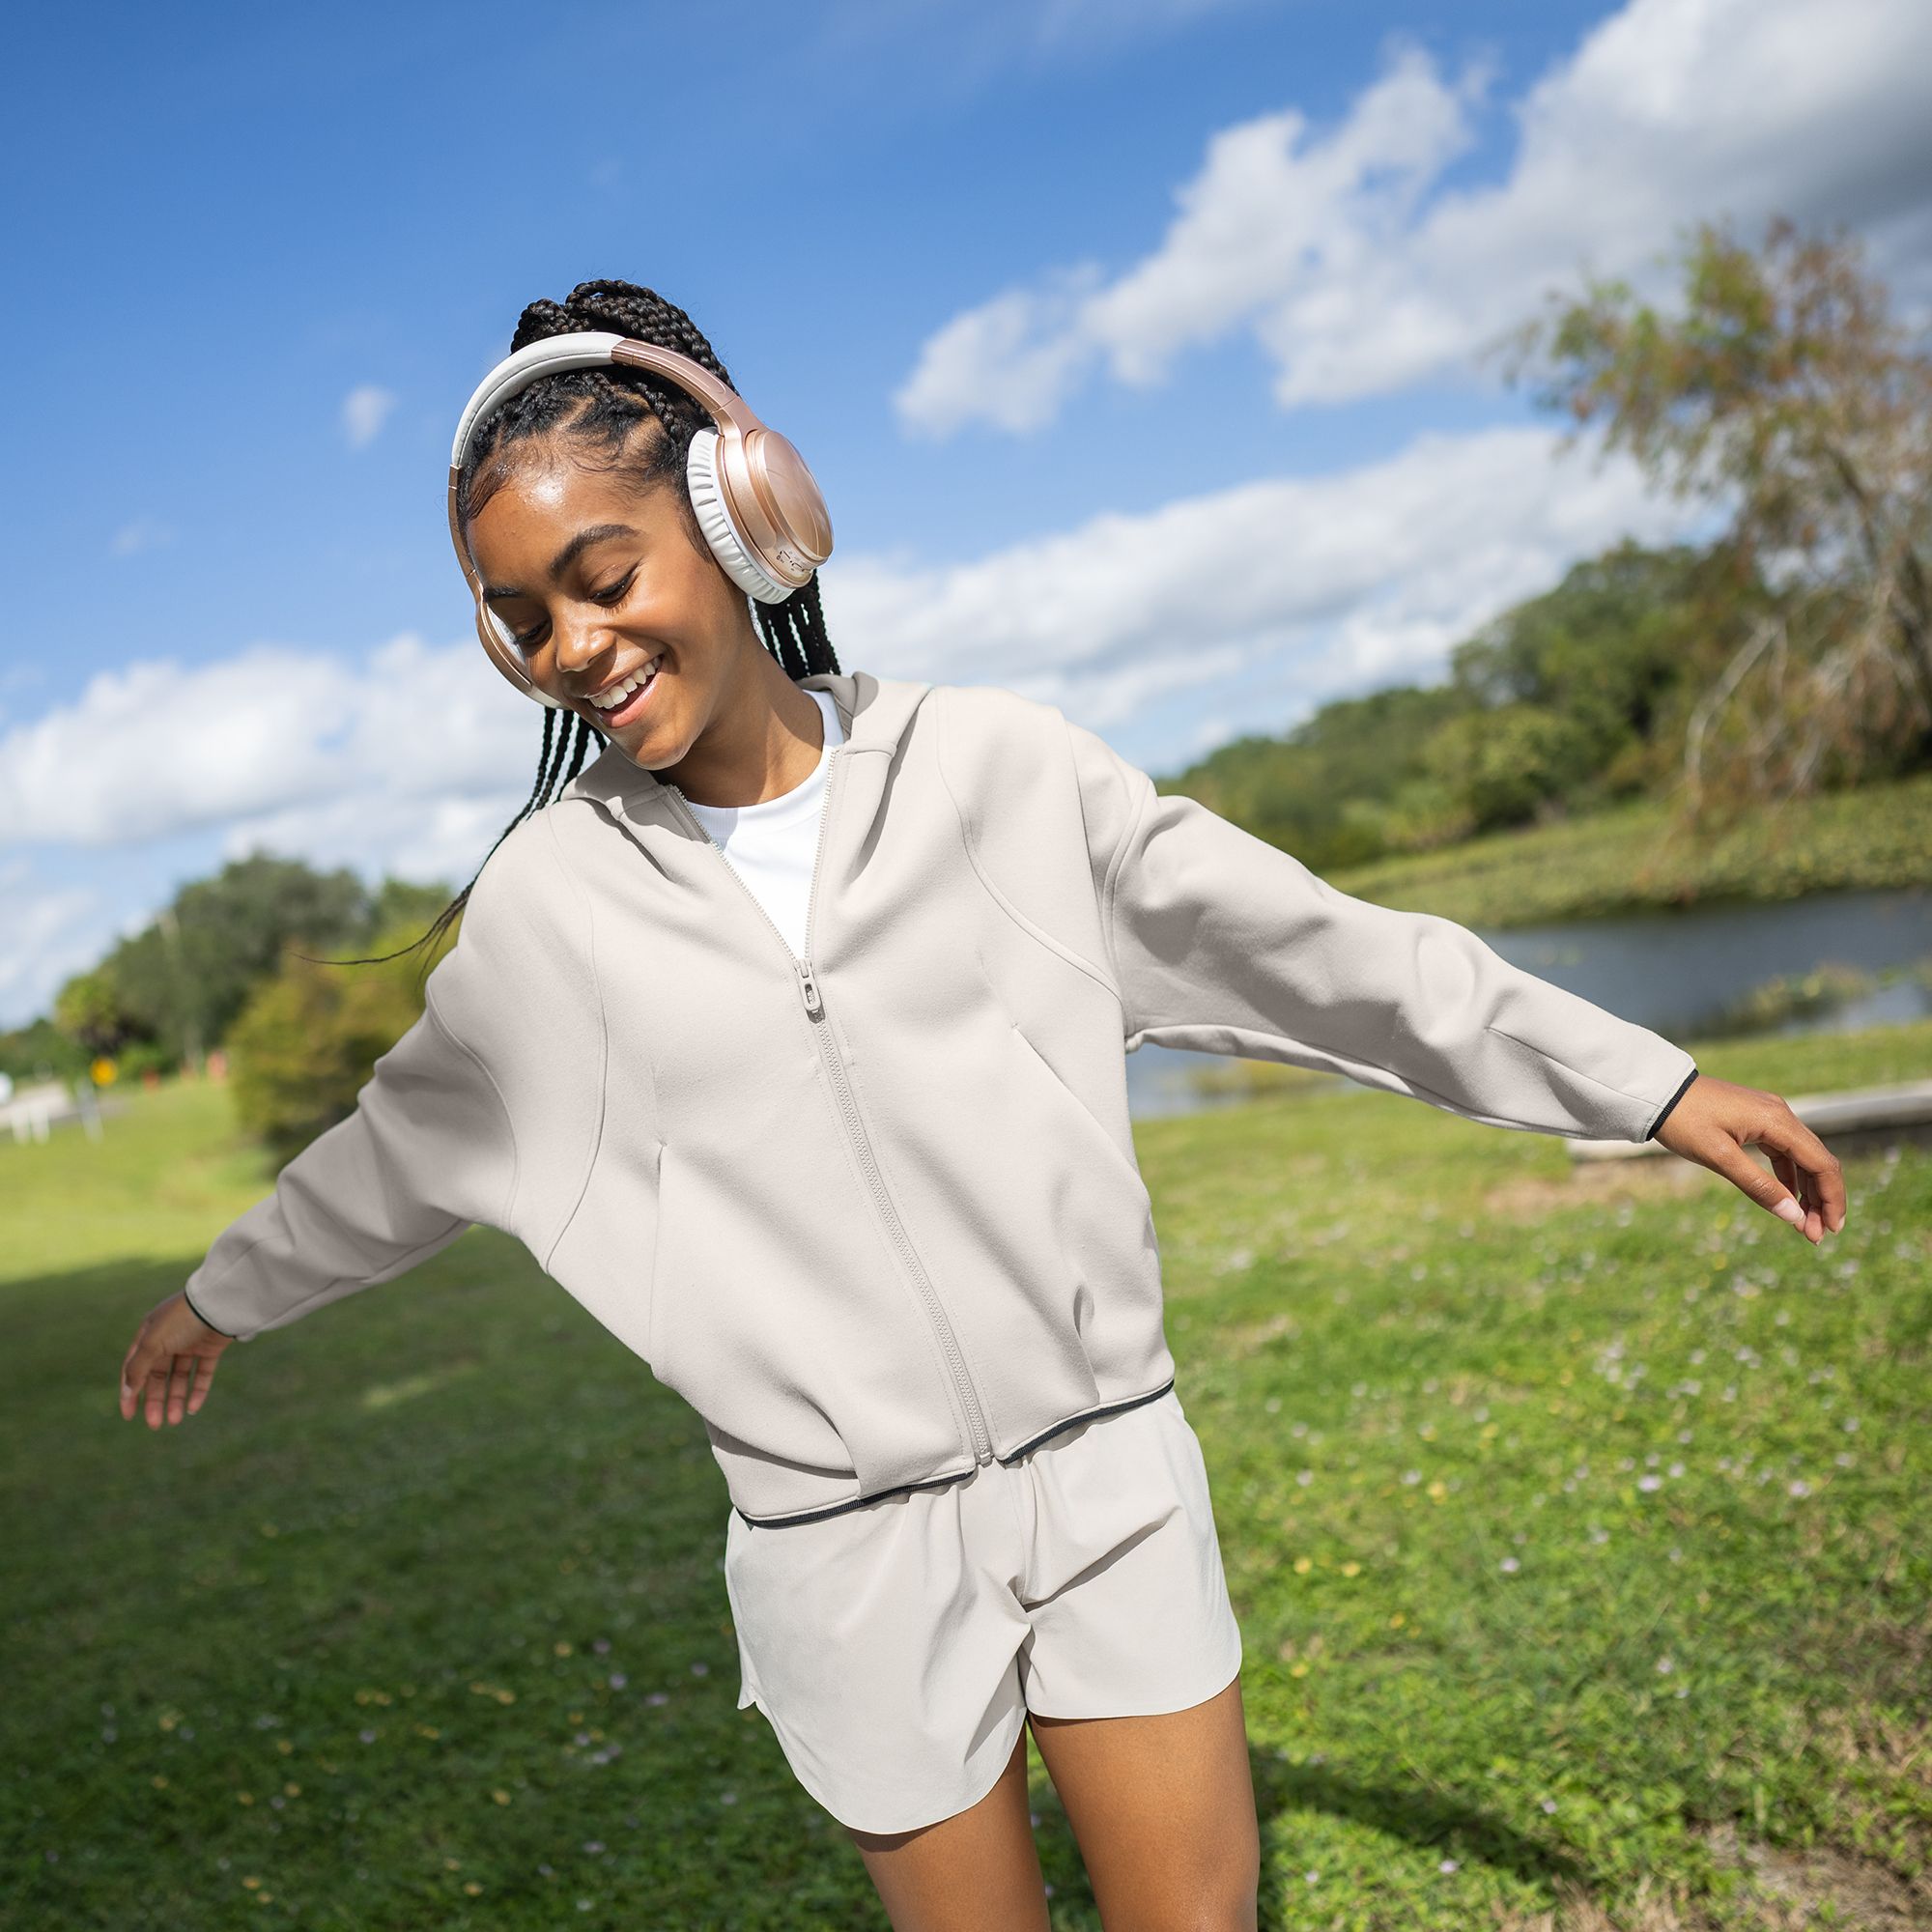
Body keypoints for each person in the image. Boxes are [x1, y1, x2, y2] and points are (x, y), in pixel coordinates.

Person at [119, 279, 1847, 1932]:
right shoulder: (546, 920)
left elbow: (1330, 957)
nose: (576, 645)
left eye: (602, 576)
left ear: (738, 516)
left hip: (1107, 1489)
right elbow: (394, 1151)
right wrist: (223, 1296)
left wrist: (1653, 1086)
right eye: (525, 620)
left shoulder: (1002, 773)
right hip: (843, 1560)